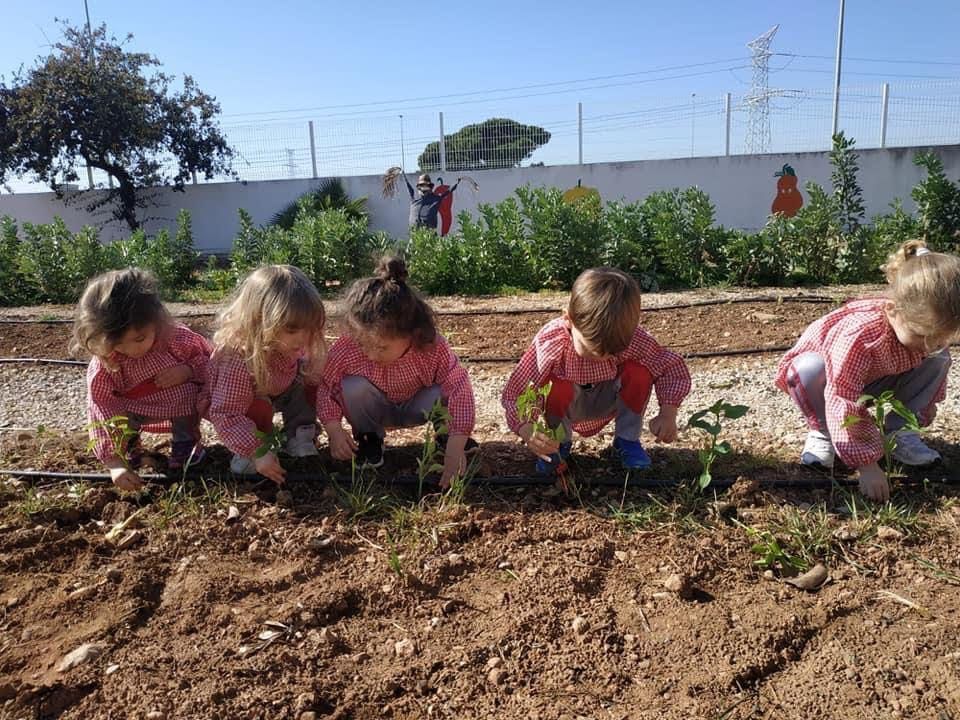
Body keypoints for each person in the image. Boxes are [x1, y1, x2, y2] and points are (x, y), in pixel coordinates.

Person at [777, 240, 960, 502]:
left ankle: (899, 434)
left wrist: (927, 404)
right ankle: (824, 432)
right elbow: (842, 395)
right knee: (809, 369)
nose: (929, 345)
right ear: (892, 310)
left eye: (941, 337)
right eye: (921, 336)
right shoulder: (860, 335)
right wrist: (867, 465)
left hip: (875, 378)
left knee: (938, 358)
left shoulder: (925, 340)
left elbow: (936, 365)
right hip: (828, 381)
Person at [501, 267, 691, 474]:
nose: (602, 358)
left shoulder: (633, 339)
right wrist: (528, 431)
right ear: (569, 320)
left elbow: (670, 368)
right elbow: (517, 392)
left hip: (609, 398)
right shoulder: (552, 342)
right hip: (568, 404)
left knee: (639, 373)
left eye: (612, 353)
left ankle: (627, 441)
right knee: (554, 384)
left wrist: (668, 413)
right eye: (592, 350)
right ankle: (558, 444)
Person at [317, 256, 476, 487]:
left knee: (446, 387)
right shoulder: (347, 347)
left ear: (411, 333)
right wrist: (334, 430)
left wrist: (456, 449)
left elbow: (460, 390)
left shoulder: (432, 347)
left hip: (418, 406)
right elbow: (327, 387)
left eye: (381, 348)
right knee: (350, 386)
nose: (370, 354)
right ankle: (369, 438)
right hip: (375, 409)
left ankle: (446, 435)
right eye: (363, 344)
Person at [73, 268, 211, 491]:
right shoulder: (106, 362)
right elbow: (101, 407)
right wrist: (114, 463)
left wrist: (187, 371)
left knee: (188, 395)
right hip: (132, 408)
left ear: (157, 321)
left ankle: (185, 443)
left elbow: (209, 361)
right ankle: (129, 446)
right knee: (118, 418)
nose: (132, 350)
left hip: (177, 402)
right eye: (119, 344)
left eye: (139, 339)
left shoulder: (176, 340)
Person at [205, 265, 327, 485]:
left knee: (308, 378)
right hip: (245, 400)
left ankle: (299, 433)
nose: (303, 338)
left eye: (309, 328)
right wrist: (257, 450)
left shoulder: (292, 345)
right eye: (292, 330)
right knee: (257, 408)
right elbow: (227, 412)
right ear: (260, 322)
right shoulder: (238, 357)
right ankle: (250, 449)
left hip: (279, 385)